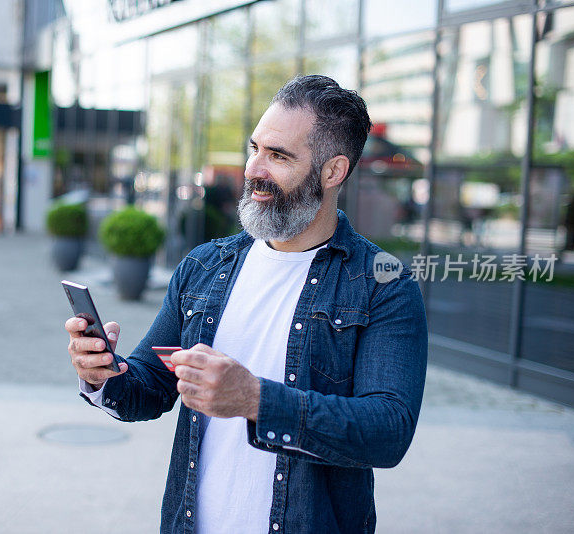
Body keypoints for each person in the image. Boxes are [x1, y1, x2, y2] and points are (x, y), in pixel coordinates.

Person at [65, 75, 428, 533]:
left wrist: (256, 399)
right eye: (255, 148)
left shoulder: (383, 285)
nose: (255, 168)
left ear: (333, 171)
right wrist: (102, 374)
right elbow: (149, 388)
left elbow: (388, 432)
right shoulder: (204, 266)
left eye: (279, 156)